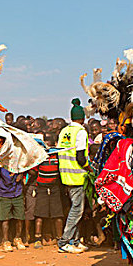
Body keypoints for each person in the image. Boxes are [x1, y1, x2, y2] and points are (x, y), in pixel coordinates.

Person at [56, 98, 90, 254]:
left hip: (65, 175)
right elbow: (81, 157)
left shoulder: (64, 131)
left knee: (75, 209)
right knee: (77, 210)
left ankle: (75, 241)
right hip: (77, 176)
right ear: (82, 118)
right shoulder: (81, 132)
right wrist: (89, 168)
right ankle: (64, 242)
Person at [33, 133, 64, 248]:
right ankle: (58, 239)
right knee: (53, 215)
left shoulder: (43, 155)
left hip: (47, 187)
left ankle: (39, 239)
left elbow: (33, 170)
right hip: (47, 187)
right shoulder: (56, 155)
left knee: (46, 215)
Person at [0, 168, 26, 252]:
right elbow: (6, 178)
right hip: (4, 193)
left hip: (17, 193)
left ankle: (17, 238)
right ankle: (6, 241)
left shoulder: (18, 163)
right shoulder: (2, 164)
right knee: (5, 218)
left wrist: (21, 173)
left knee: (20, 217)